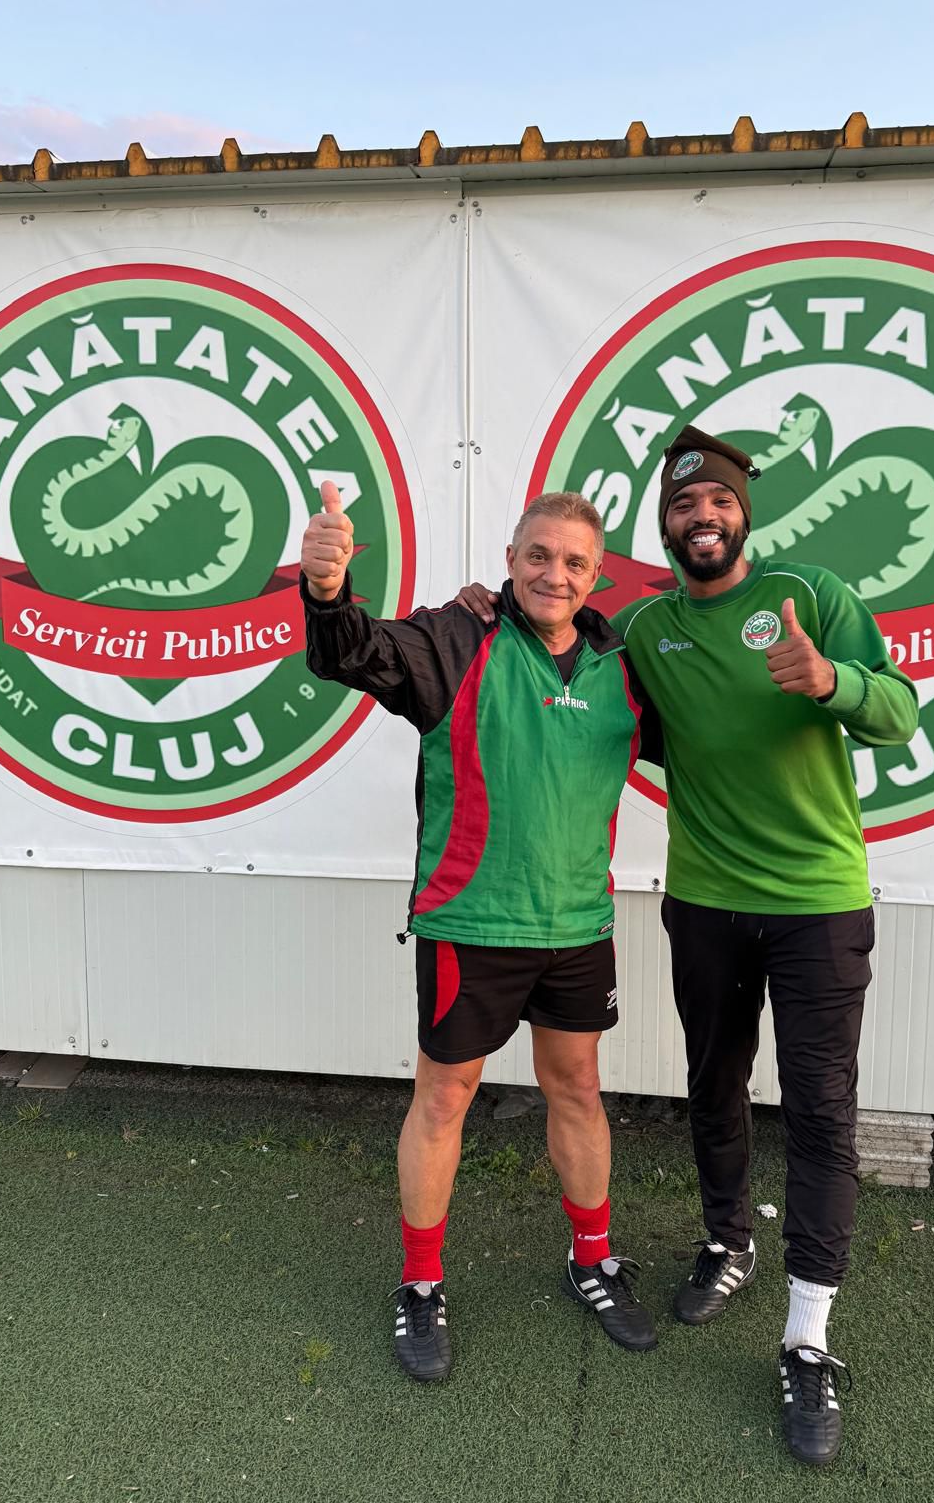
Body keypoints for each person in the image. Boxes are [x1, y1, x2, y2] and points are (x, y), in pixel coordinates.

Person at [458, 426, 918, 1467]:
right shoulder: (647, 629)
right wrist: (486, 608)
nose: (701, 517)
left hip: (818, 904)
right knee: (713, 1083)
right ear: (663, 528)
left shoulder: (812, 596)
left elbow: (898, 711)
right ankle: (727, 1242)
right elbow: (561, 647)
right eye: (682, 506)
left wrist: (831, 682)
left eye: (716, 502)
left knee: (820, 1107)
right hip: (705, 901)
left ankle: (808, 1336)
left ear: (742, 513)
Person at [300, 482, 660, 1383]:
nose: (554, 574)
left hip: (578, 926)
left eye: (574, 562)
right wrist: (327, 591)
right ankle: (421, 1283)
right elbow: (354, 653)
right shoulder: (456, 639)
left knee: (577, 1089)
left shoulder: (623, 664)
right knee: (444, 1099)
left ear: (596, 577)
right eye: (538, 555)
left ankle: (592, 1260)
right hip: (470, 925)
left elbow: (717, 733)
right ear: (509, 561)